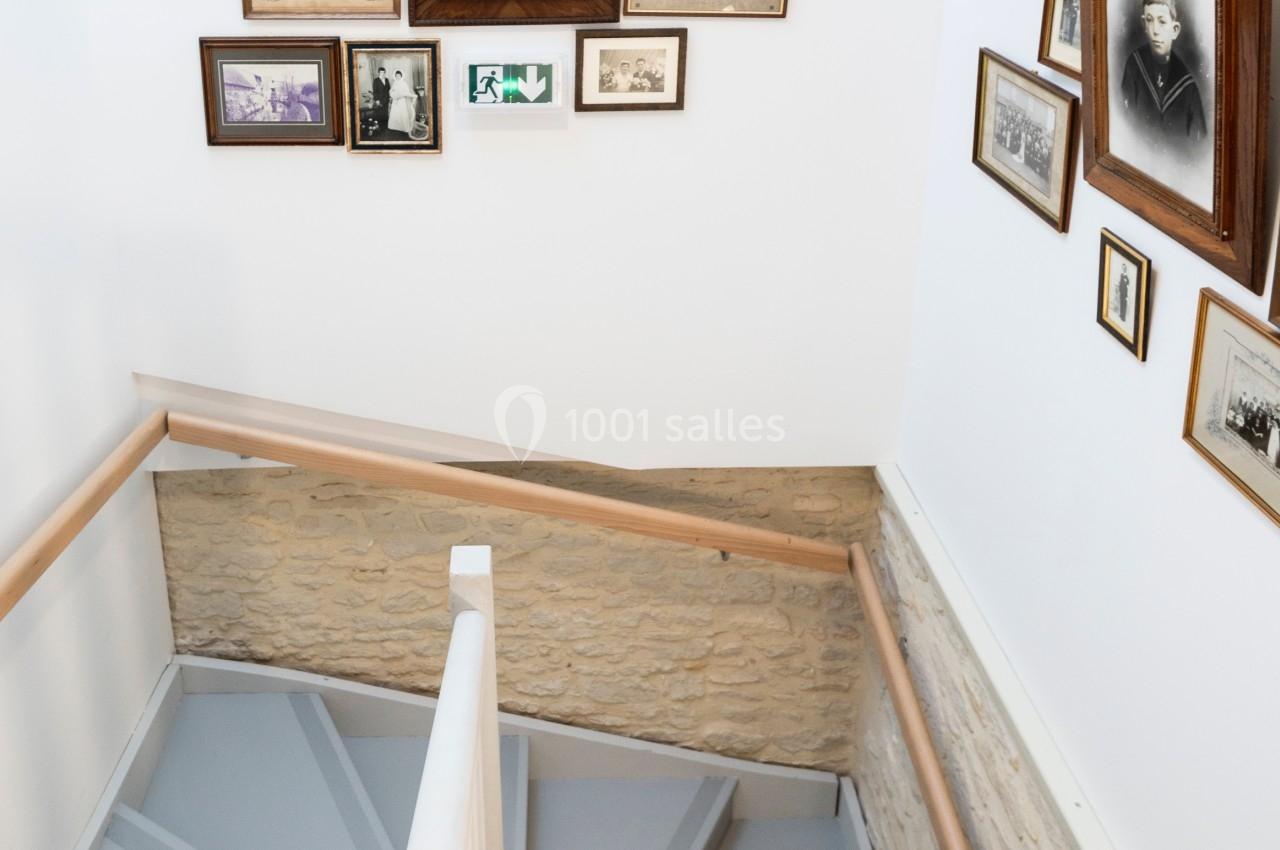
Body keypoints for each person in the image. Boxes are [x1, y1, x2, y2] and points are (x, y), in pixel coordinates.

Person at [1119, 0, 1207, 147]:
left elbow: (1199, 145)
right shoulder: (1134, 65)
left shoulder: (1188, 87)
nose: (1155, 30)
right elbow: (1123, 124)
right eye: (1149, 20)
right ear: (1144, 24)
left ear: (1175, 30)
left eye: (1162, 22)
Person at [388, 70, 416, 136]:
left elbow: (407, 92)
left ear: (401, 76)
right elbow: (391, 91)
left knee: (402, 113)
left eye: (399, 76)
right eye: (396, 76)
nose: (398, 77)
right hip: (395, 101)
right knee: (395, 113)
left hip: (402, 100)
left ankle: (404, 127)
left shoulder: (404, 83)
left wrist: (401, 95)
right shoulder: (394, 83)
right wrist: (393, 95)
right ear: (395, 76)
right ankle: (395, 127)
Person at [371, 67, 391, 134]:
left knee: (385, 114)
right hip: (379, 100)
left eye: (383, 72)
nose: (382, 74)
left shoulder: (387, 79)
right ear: (379, 73)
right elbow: (375, 91)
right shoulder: (376, 80)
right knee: (379, 114)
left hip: (386, 100)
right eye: (381, 72)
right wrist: (377, 100)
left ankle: (385, 128)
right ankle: (379, 128)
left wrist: (389, 97)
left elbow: (389, 89)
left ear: (385, 73)